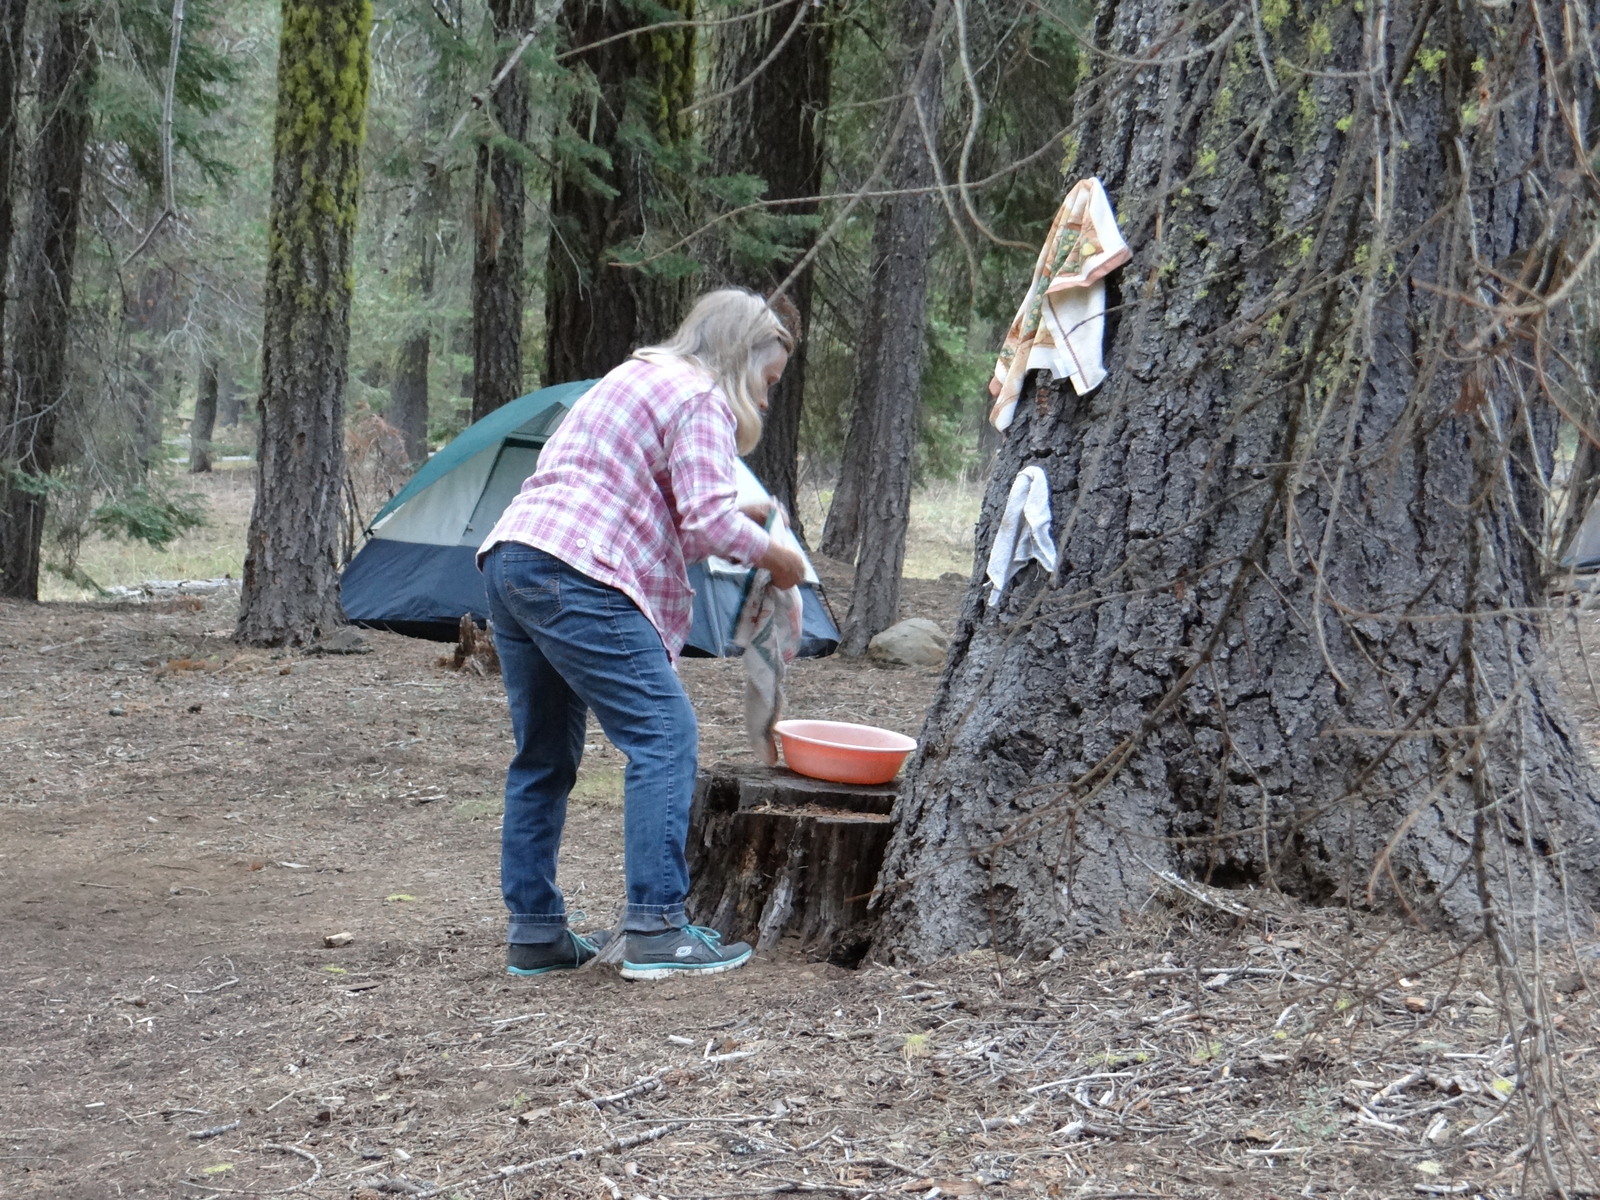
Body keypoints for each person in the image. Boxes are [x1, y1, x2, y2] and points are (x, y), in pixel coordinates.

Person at [478, 289, 807, 981]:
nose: (768, 401)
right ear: (739, 359)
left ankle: (535, 933)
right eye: (768, 382)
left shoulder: (634, 376)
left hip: (515, 557)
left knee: (543, 758)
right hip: (579, 570)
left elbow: (667, 513)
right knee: (664, 734)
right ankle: (657, 927)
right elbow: (713, 526)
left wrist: (752, 514)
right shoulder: (700, 398)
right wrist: (781, 561)